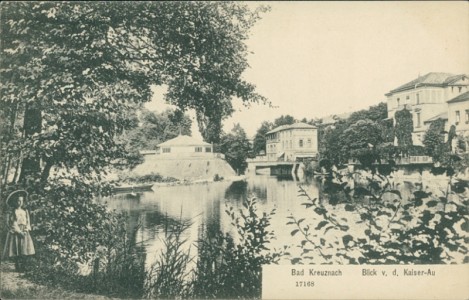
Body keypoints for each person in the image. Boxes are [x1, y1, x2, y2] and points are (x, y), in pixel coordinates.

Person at [2, 190, 35, 272]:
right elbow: (13, 222)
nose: (19, 202)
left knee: (24, 248)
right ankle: (17, 266)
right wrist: (19, 232)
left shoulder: (25, 211)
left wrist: (26, 230)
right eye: (17, 200)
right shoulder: (13, 212)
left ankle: (23, 266)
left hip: (24, 231)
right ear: (14, 201)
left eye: (21, 200)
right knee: (17, 249)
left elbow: (28, 221)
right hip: (17, 231)